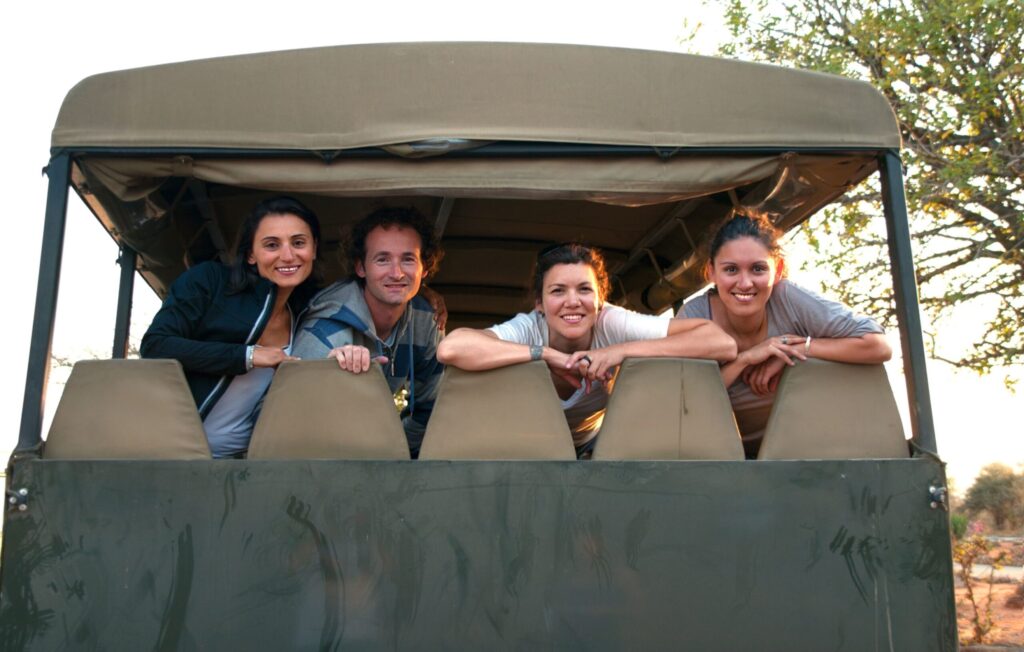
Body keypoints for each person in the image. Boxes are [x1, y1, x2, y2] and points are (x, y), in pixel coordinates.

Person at [437, 243, 737, 458]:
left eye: (584, 289)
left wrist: (620, 351)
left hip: (596, 449)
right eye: (557, 291)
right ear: (539, 303)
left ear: (600, 298)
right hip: (523, 448)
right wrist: (543, 353)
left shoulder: (611, 321)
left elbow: (720, 342)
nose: (572, 301)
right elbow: (451, 348)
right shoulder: (528, 328)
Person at [679, 214, 893, 457]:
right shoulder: (695, 316)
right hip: (715, 456)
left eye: (758, 269)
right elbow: (682, 401)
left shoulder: (789, 300)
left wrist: (797, 349)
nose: (745, 283)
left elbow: (878, 346)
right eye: (731, 270)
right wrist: (745, 360)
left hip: (804, 452)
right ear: (711, 272)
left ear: (777, 269)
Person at [140, 196, 322, 458]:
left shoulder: (307, 312)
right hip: (172, 456)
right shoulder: (209, 281)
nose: (287, 255)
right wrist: (248, 355)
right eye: (272, 244)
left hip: (250, 465)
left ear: (314, 249)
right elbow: (156, 345)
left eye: (298, 242)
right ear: (250, 254)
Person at [292, 206, 445, 459]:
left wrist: (399, 455)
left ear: (425, 269)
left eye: (408, 259)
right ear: (361, 267)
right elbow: (293, 423)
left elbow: (432, 408)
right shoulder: (325, 331)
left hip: (377, 457)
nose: (396, 273)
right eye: (382, 259)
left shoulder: (427, 321)